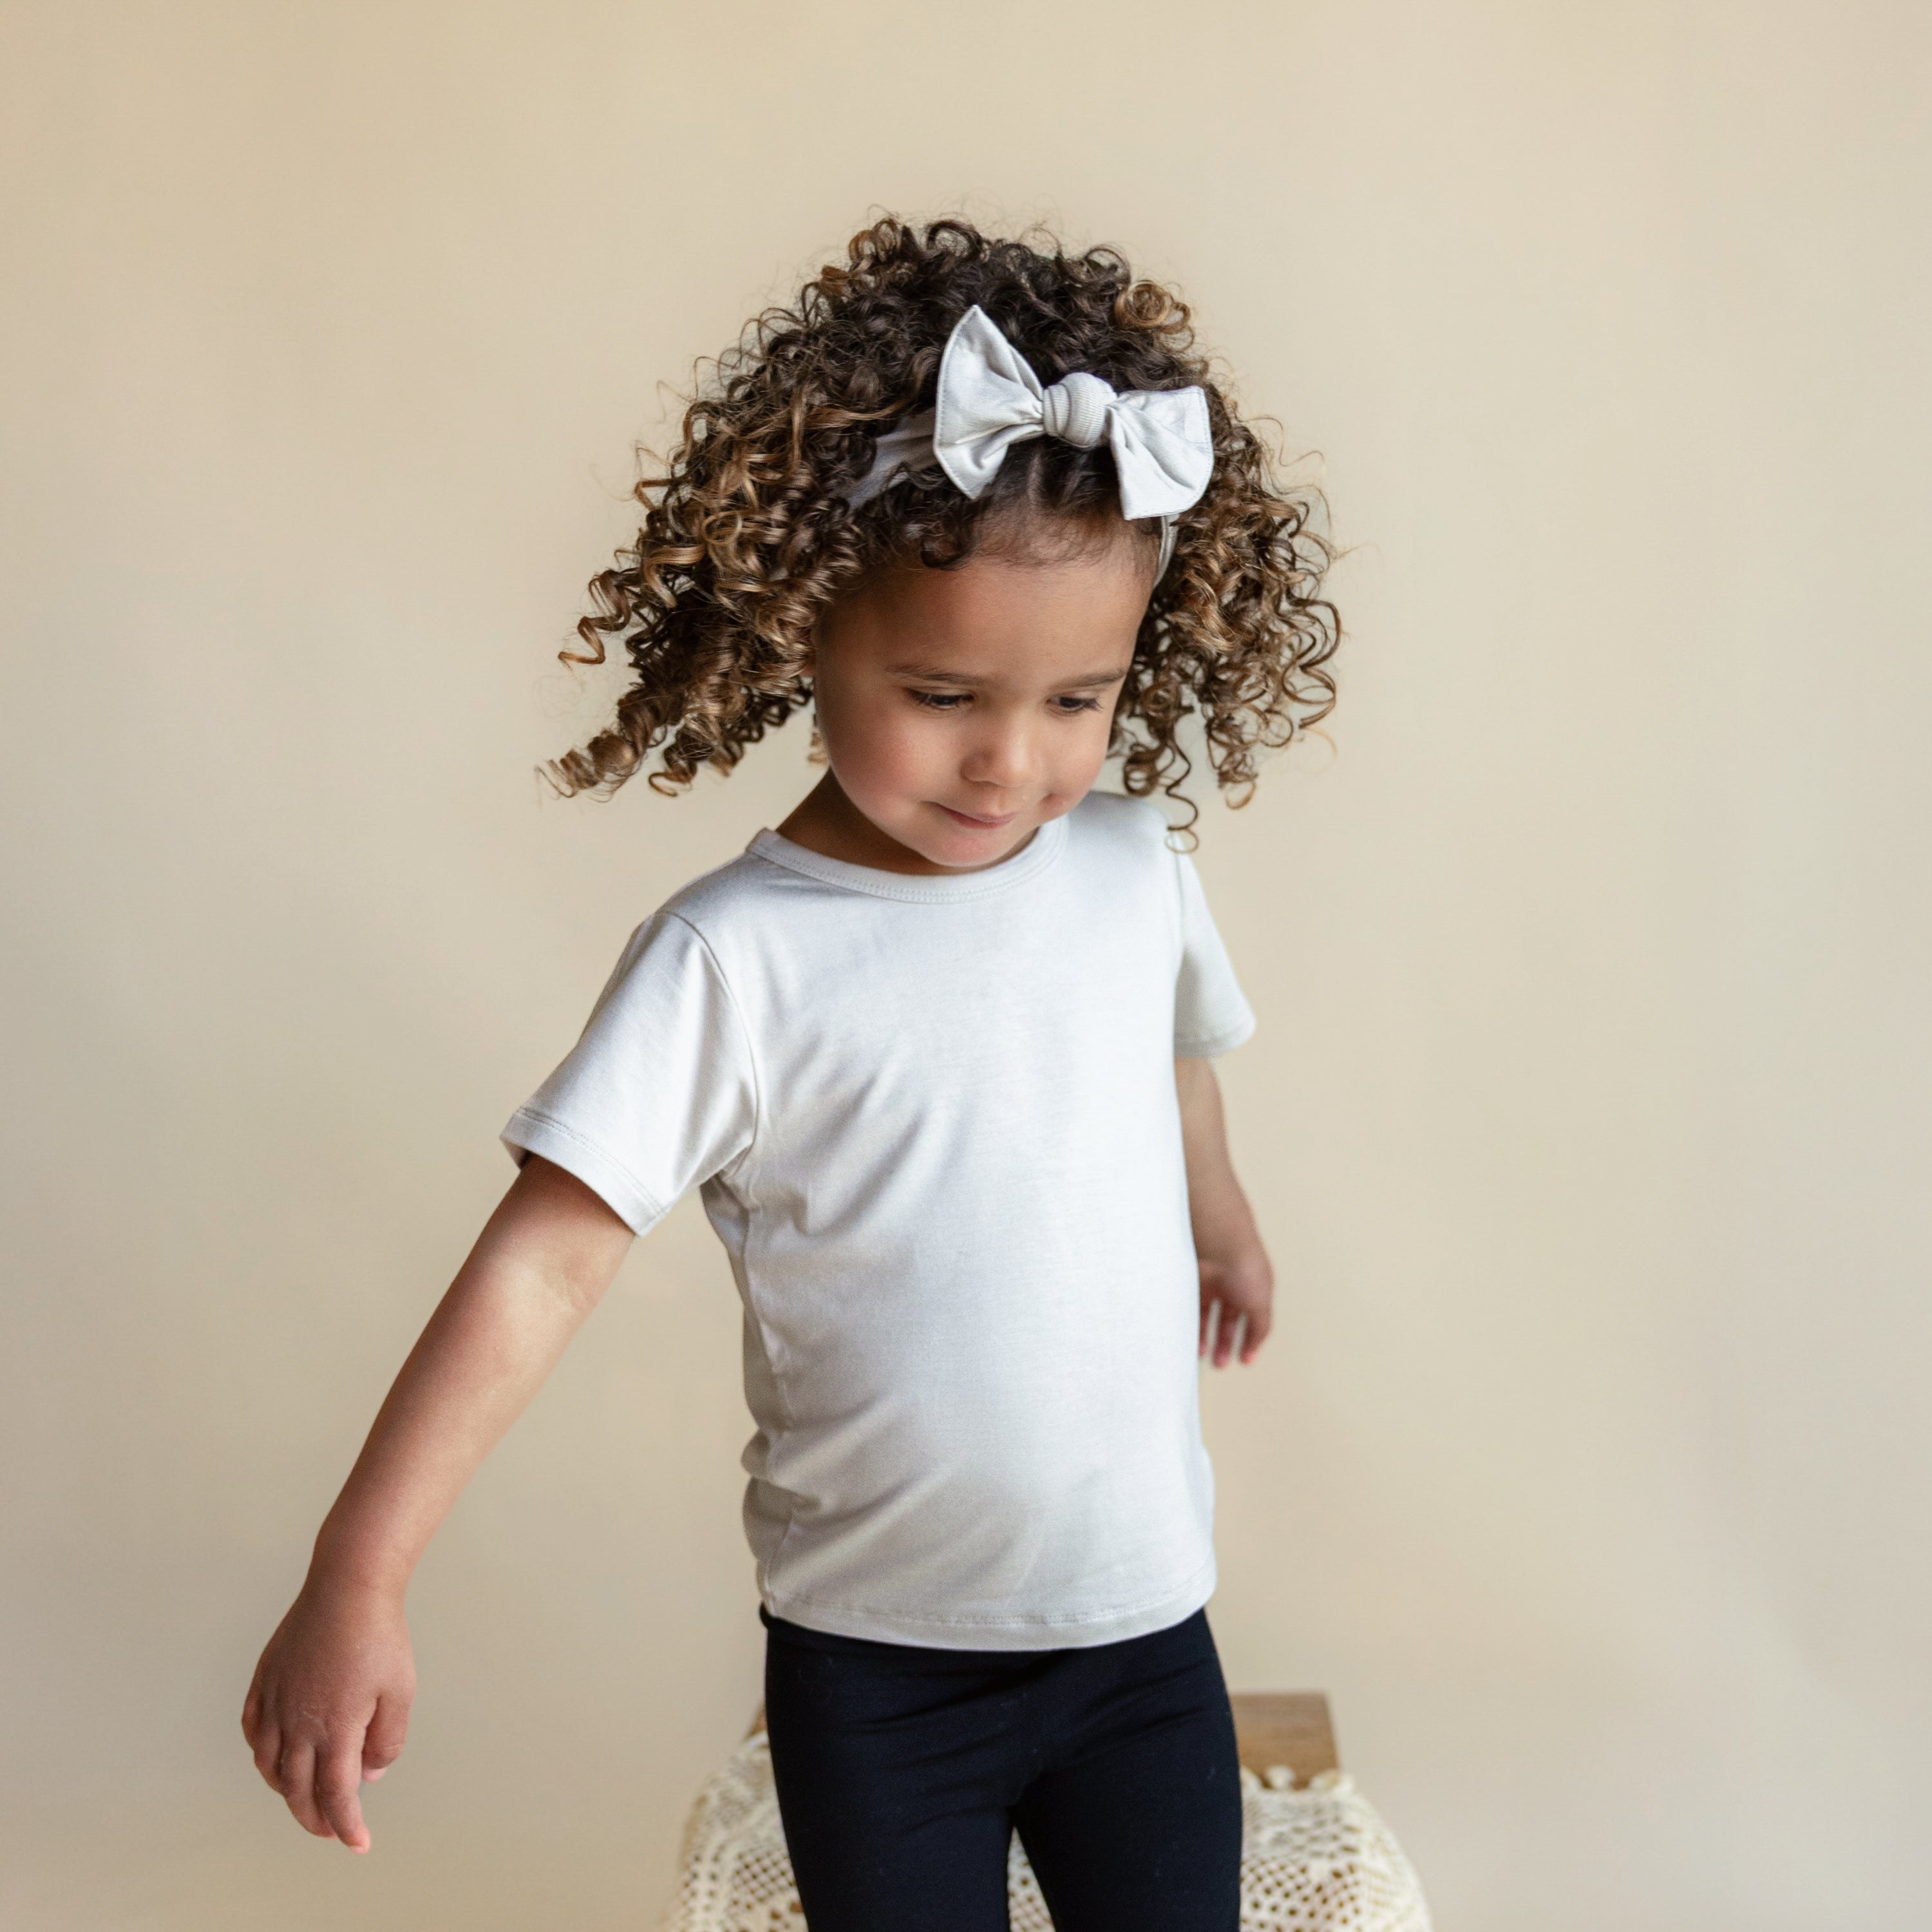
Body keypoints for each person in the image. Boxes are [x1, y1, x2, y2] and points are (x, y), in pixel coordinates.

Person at [242, 215, 1338, 1931]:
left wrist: (1223, 1212)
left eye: (1079, 700)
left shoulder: (1133, 868)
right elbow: (542, 1266)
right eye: (942, 690)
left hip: (1144, 1647)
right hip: (881, 1681)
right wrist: (357, 1573)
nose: (1013, 759)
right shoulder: (736, 960)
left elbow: (1171, 1057)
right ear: (804, 621)